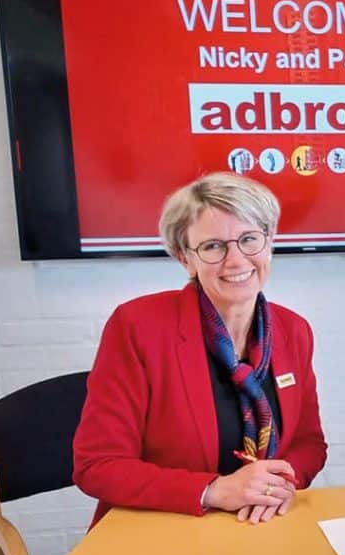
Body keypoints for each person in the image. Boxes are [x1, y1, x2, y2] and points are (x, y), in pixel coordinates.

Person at [74, 173, 327, 525]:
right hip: (161, 530)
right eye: (213, 246)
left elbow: (308, 444)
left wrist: (276, 484)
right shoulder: (137, 327)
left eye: (249, 239)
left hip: (260, 525)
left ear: (269, 242)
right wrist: (214, 490)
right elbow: (97, 465)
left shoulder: (293, 330)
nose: (236, 260)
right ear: (185, 258)